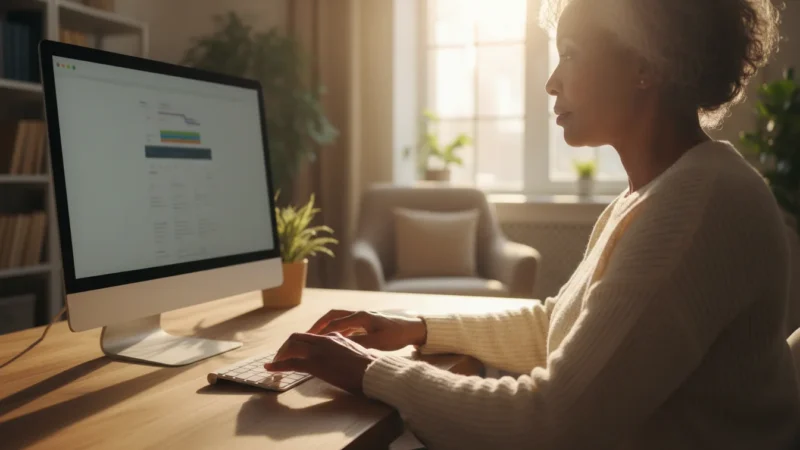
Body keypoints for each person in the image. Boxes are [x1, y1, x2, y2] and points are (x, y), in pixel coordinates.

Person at [266, 0, 800, 448]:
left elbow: (552, 421)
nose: (550, 82)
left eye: (570, 54)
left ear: (647, 65)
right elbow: (557, 327)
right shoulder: (657, 192)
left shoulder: (698, 204)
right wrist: (420, 329)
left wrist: (368, 371)